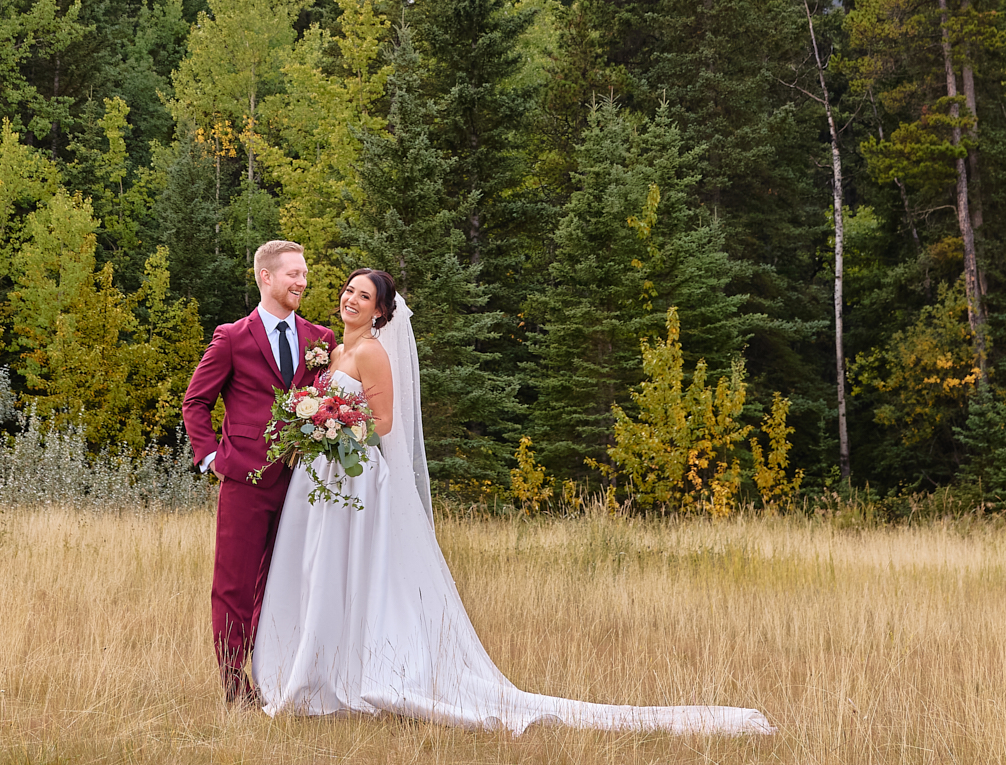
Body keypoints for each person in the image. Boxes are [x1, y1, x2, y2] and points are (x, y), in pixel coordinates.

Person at [251, 269, 773, 736]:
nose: (351, 299)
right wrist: (313, 422)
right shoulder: (332, 351)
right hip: (327, 476)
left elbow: (384, 424)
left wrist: (333, 421)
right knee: (322, 570)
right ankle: (321, 663)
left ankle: (360, 672)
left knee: (357, 574)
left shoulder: (370, 353)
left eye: (364, 296)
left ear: (382, 311)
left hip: (359, 480)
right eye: (348, 290)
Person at [181, 239, 336, 704]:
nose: (302, 282)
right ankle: (234, 685)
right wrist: (211, 459)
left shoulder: (321, 340)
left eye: (305, 274)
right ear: (265, 277)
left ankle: (285, 678)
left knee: (291, 581)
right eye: (293, 274)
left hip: (304, 483)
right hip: (245, 481)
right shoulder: (231, 337)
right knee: (234, 584)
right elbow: (196, 402)